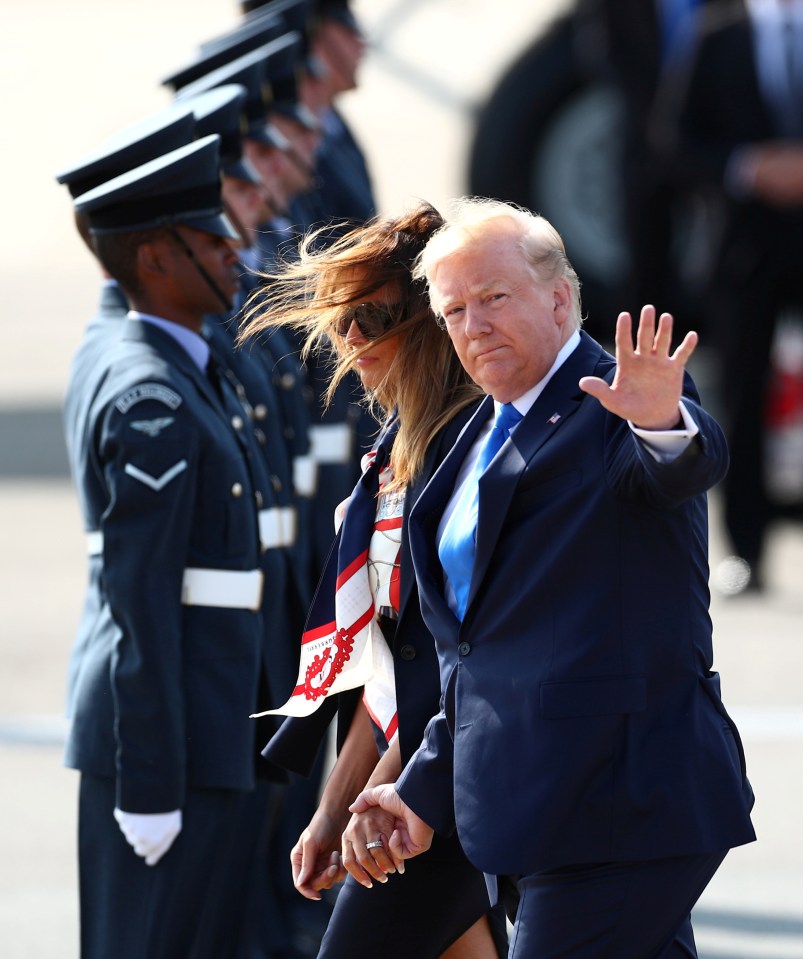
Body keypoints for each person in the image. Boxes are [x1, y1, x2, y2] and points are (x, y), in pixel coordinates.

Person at [349, 198, 756, 959]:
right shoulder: (474, 431)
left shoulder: (617, 401)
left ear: (560, 296)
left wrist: (662, 425)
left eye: (493, 298)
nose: (472, 325)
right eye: (454, 310)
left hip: (621, 807)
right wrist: (422, 791)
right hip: (531, 811)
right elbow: (478, 658)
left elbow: (675, 463)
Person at [240, 201, 509, 959]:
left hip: (445, 782)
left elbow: (448, 669)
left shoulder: (468, 458)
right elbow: (385, 668)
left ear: (428, 321)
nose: (348, 340)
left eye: (372, 318)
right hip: (414, 775)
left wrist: (373, 800)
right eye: (339, 322)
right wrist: (331, 806)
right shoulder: (392, 458)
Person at [64, 135, 275, 958]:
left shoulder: (183, 364)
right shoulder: (151, 396)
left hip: (211, 727)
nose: (235, 249)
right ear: (155, 256)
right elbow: (138, 600)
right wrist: (151, 781)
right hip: (169, 742)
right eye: (211, 237)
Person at [652, 0, 803, 593]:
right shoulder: (719, 37)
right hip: (746, 251)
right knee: (742, 398)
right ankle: (746, 553)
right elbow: (674, 140)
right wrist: (749, 167)